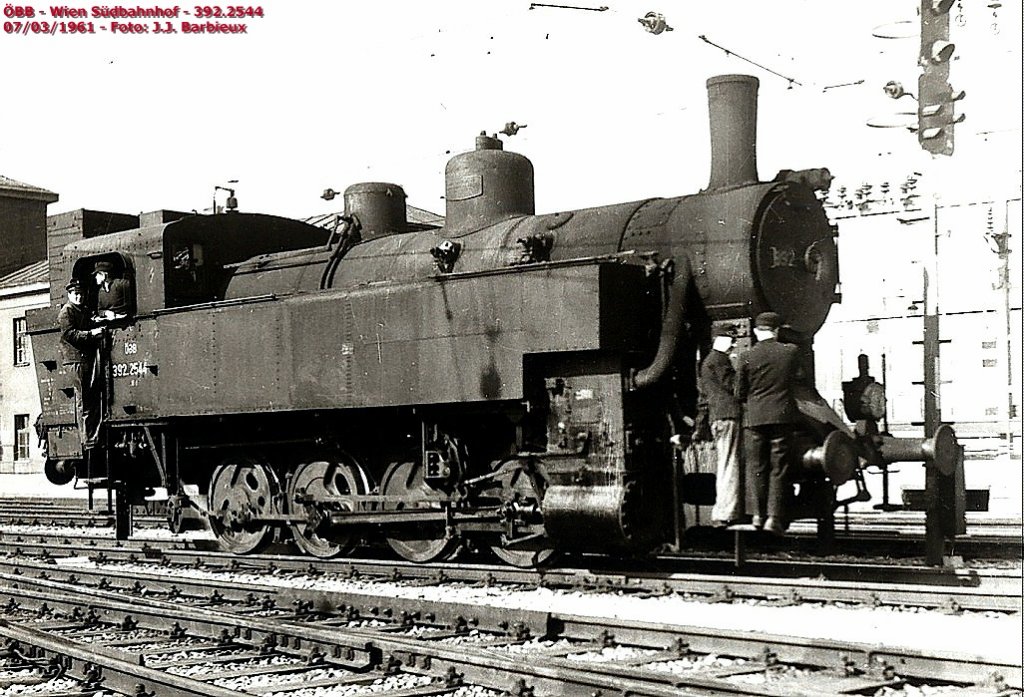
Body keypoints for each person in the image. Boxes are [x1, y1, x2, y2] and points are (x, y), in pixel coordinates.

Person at [735, 311, 802, 535]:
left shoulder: (745, 357)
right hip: (781, 416)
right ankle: (773, 518)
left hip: (754, 418)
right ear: (777, 331)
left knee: (756, 467)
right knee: (778, 468)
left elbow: (739, 392)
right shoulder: (790, 352)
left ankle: (757, 515)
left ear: (755, 331)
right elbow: (797, 378)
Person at [699, 327, 744, 526]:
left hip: (718, 417)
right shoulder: (719, 360)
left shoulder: (708, 361)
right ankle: (725, 513)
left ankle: (723, 511)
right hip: (728, 416)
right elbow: (734, 386)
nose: (733, 344)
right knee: (730, 464)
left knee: (726, 463)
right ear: (721, 339)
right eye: (731, 340)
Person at [57, 279, 104, 448]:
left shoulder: (82, 310)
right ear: (69, 294)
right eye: (76, 294)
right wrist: (92, 334)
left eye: (81, 294)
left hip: (85, 359)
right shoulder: (66, 312)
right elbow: (71, 334)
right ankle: (86, 439)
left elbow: (87, 323)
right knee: (83, 400)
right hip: (75, 360)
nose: (79, 296)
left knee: (90, 399)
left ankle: (92, 436)